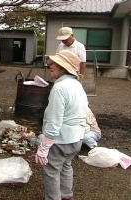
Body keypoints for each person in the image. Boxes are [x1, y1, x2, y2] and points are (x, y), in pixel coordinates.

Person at [35, 50, 88, 200]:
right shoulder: (77, 85)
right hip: (76, 139)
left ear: (64, 67)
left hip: (61, 140)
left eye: (55, 63)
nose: (50, 65)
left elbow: (54, 120)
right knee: (66, 166)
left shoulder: (60, 87)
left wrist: (44, 147)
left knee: (51, 172)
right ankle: (67, 195)